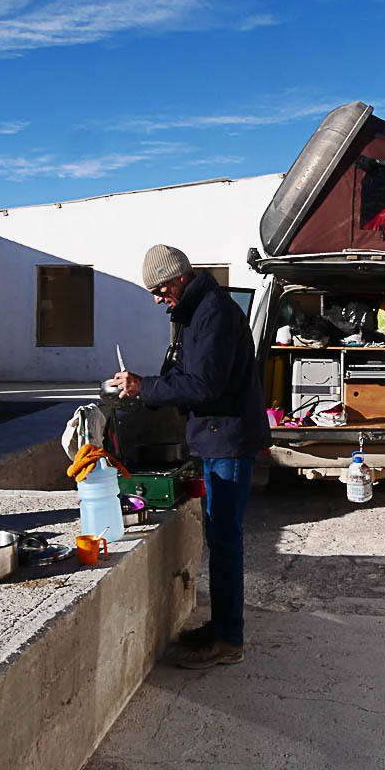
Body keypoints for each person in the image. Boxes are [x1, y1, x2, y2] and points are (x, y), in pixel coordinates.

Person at [110, 245, 270, 670]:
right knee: (220, 538)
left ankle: (229, 639)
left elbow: (204, 385)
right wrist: (144, 388)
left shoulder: (213, 313)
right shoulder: (198, 312)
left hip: (229, 440)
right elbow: (186, 374)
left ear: (178, 278)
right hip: (218, 437)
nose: (159, 300)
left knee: (225, 540)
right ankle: (221, 627)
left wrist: (145, 387)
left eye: (160, 290)